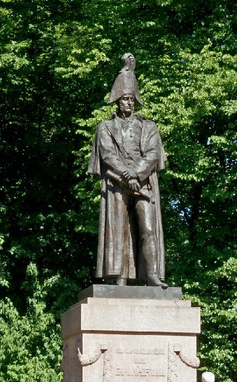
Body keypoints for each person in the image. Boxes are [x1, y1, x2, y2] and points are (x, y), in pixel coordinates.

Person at [88, 53, 167, 287]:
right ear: (117, 100)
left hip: (143, 183)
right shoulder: (105, 127)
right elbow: (107, 155)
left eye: (132, 99)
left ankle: (152, 274)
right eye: (124, 99)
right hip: (117, 184)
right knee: (118, 230)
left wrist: (136, 174)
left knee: (148, 228)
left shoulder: (149, 126)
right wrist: (126, 176)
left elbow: (153, 153)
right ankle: (120, 278)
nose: (128, 103)